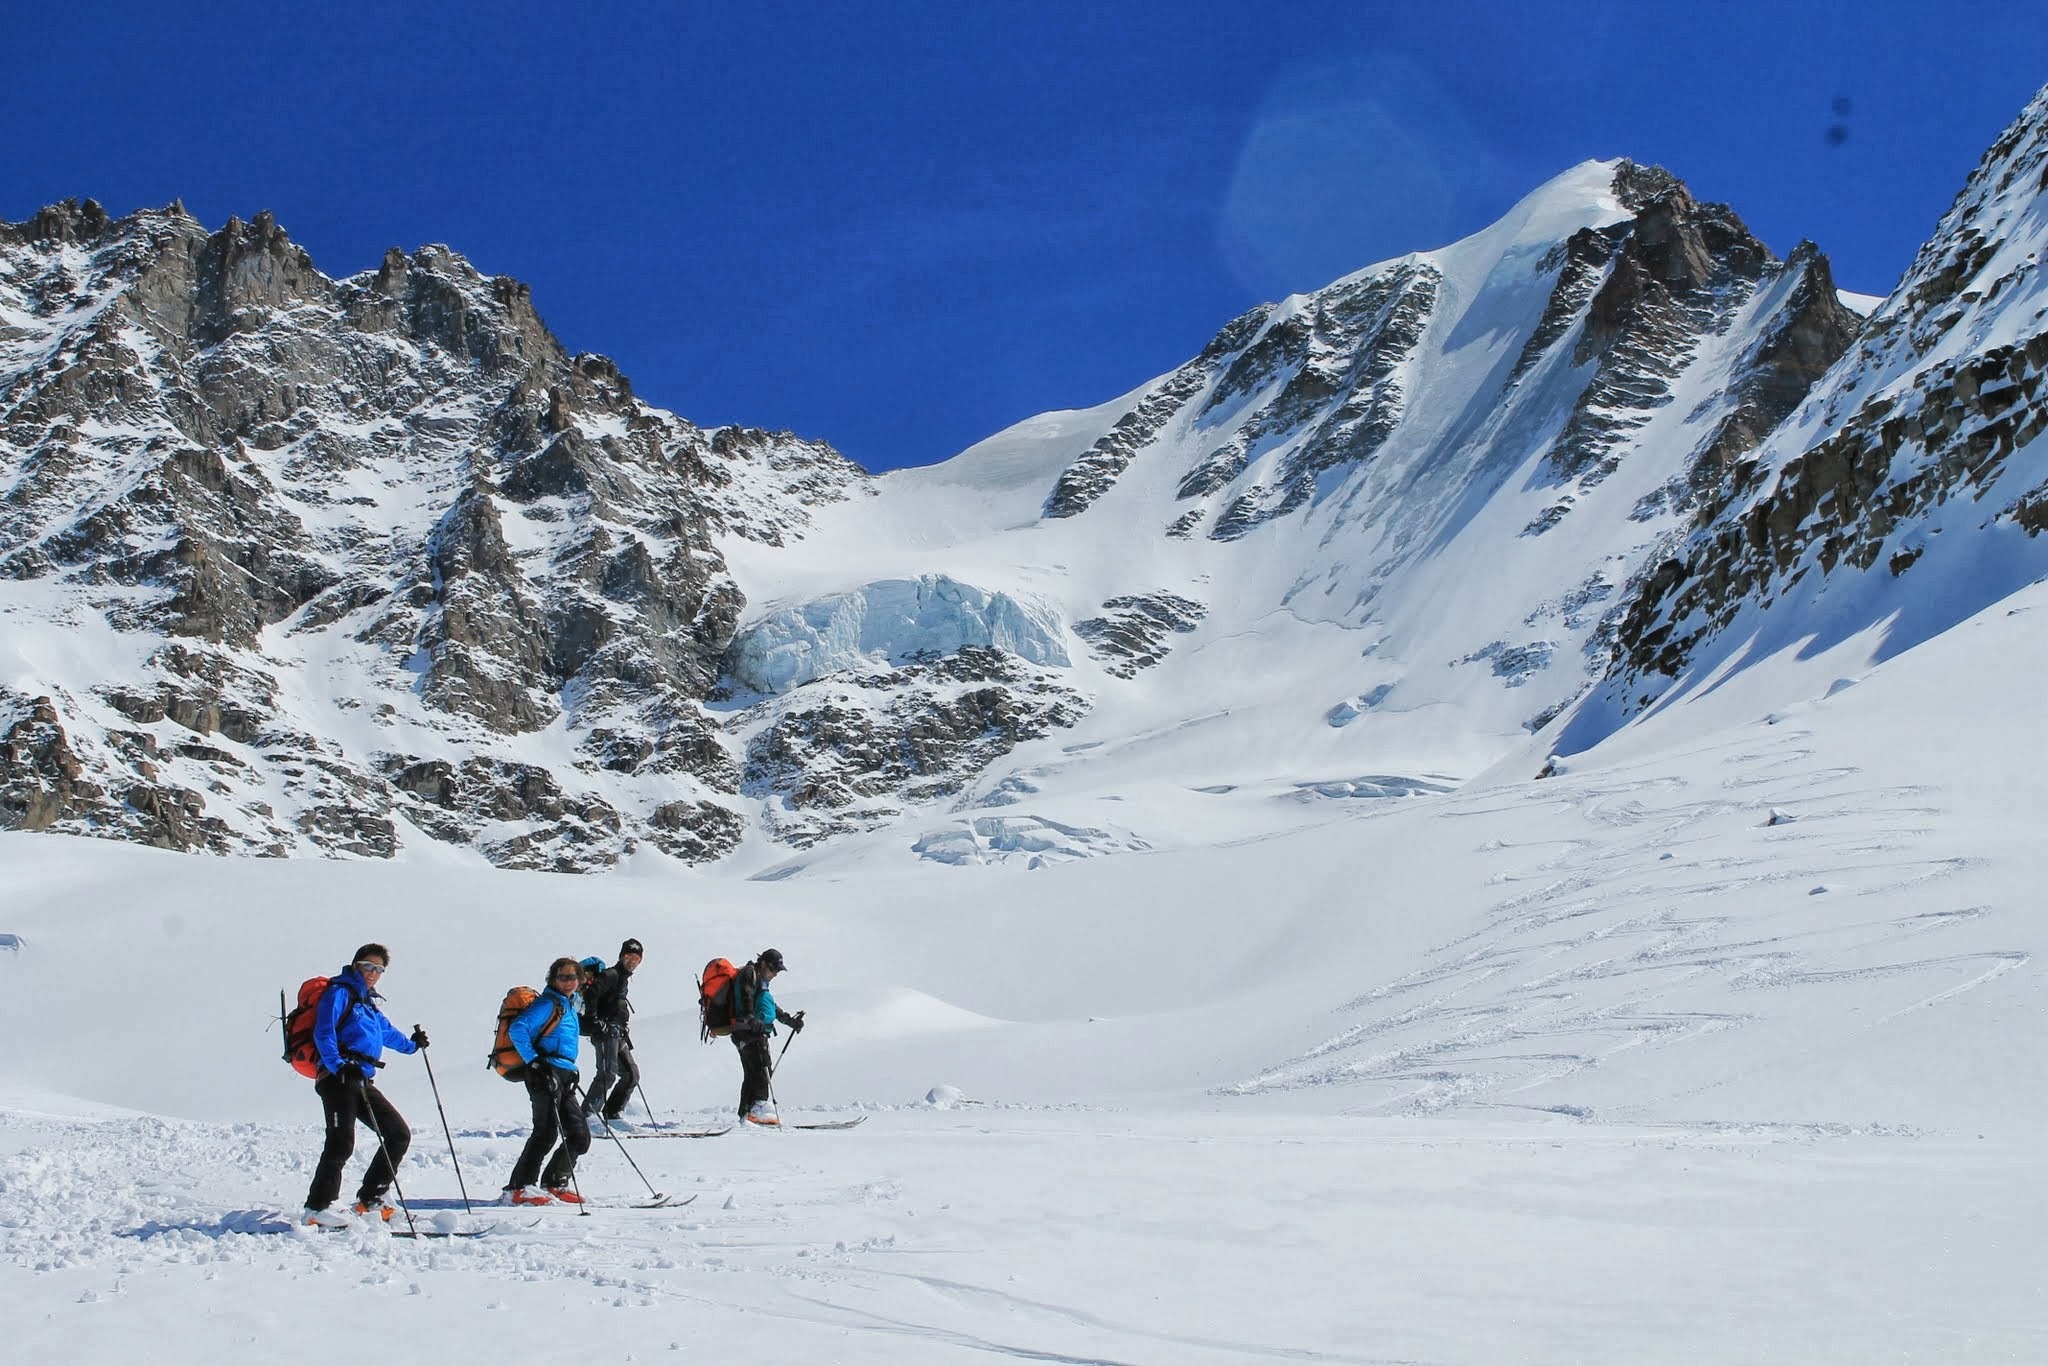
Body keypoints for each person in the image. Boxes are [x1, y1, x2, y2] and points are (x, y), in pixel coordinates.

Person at [301, 943, 428, 1227]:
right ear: (356, 964)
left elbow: (387, 1033)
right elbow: (324, 1031)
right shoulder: (339, 993)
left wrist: (412, 1045)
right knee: (341, 1142)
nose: (373, 973)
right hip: (338, 1077)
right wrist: (337, 1065)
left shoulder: (367, 1003)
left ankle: (371, 1199)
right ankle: (317, 1208)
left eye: (379, 969)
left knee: (397, 1134)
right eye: (368, 966)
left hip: (360, 1078)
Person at [501, 956, 591, 1206]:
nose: (568, 981)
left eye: (572, 977)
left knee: (579, 1134)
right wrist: (534, 1061)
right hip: (543, 1072)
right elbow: (517, 1029)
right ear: (552, 979)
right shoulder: (548, 1003)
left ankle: (555, 1182)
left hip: (562, 1073)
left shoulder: (569, 1005)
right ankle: (519, 1188)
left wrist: (570, 1069)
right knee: (546, 1131)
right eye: (562, 977)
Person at [729, 947, 803, 1125]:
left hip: (744, 1031)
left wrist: (789, 1021)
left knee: (753, 1072)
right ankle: (758, 1110)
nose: (775, 974)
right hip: (749, 1031)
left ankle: (746, 1113)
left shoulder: (760, 981)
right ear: (763, 963)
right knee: (763, 1069)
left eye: (777, 971)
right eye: (773, 969)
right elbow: (746, 994)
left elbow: (769, 1005)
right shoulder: (749, 973)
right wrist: (750, 1017)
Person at [582, 938, 643, 1127]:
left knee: (631, 1074)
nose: (632, 961)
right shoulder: (611, 975)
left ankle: (612, 1113)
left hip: (617, 1033)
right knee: (607, 1074)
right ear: (621, 956)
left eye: (636, 958)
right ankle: (586, 1117)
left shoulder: (622, 977)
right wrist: (595, 1022)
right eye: (629, 956)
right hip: (605, 1032)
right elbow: (591, 995)